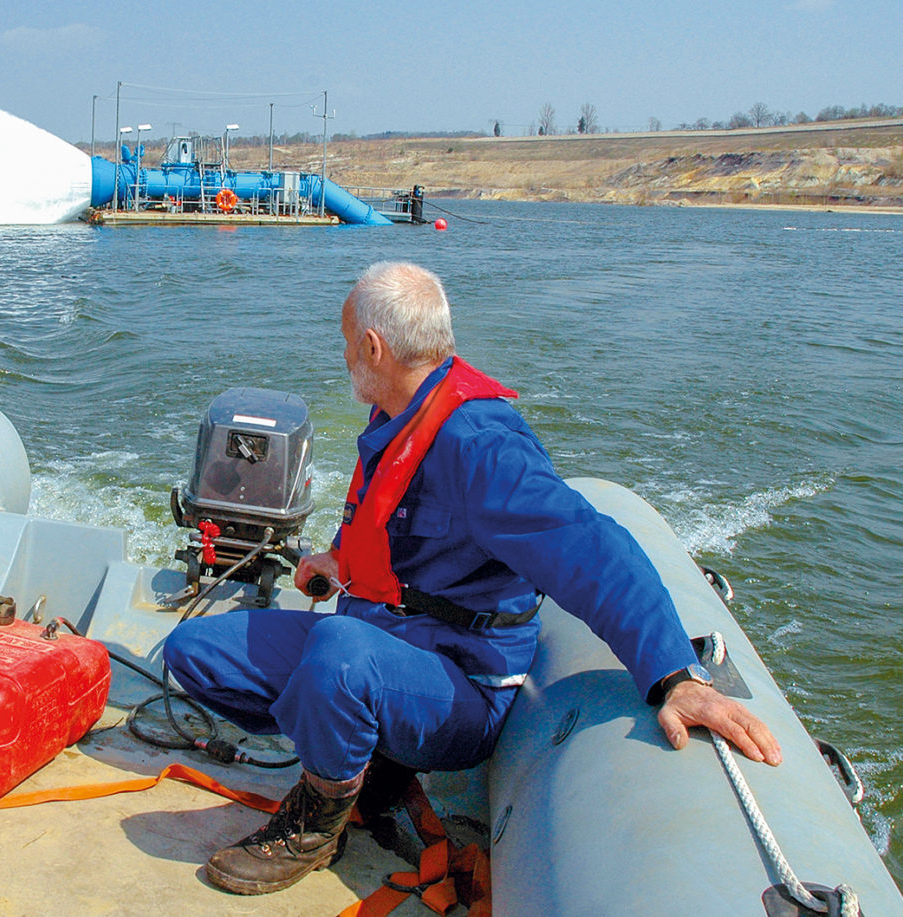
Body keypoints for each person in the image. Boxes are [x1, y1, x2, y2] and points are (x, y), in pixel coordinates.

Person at [163, 260, 782, 896]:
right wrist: (338, 558)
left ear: (373, 347)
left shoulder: (481, 445)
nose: (344, 355)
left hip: (461, 679)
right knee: (194, 652)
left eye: (347, 342)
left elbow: (594, 551)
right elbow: (388, 518)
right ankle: (365, 752)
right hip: (381, 632)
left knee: (338, 655)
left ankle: (319, 823)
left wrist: (673, 677)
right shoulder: (398, 409)